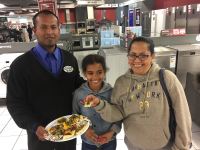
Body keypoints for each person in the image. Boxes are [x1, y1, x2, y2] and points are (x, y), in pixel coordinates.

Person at [82, 37, 192, 150]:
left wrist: (181, 147)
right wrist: (99, 104)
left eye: (143, 55)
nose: (137, 60)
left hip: (164, 146)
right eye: (132, 55)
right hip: (133, 146)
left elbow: (183, 116)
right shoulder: (121, 82)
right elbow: (117, 113)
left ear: (153, 56)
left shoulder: (167, 78)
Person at [6, 10, 84, 150]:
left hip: (67, 133)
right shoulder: (20, 65)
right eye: (43, 27)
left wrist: (94, 86)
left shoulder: (69, 59)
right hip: (39, 136)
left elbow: (76, 83)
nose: (49, 32)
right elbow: (14, 103)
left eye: (53, 27)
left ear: (59, 29)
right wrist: (34, 126)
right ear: (35, 30)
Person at [73, 54, 121, 150]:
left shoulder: (112, 92)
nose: (95, 77)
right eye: (90, 73)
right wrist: (85, 130)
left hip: (109, 141)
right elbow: (75, 116)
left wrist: (111, 133)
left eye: (99, 72)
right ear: (84, 73)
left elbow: (119, 116)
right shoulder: (79, 94)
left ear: (104, 72)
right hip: (88, 142)